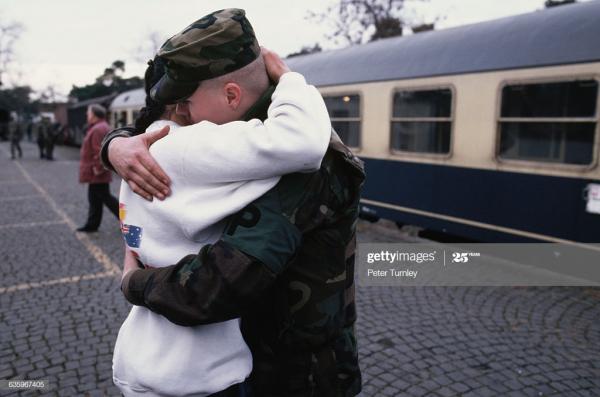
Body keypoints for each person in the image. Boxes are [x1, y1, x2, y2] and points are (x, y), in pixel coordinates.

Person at [102, 8, 364, 397]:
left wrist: (133, 282)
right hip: (248, 367)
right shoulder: (238, 135)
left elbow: (209, 289)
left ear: (231, 95)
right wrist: (117, 145)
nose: (179, 117)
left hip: (296, 377)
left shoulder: (303, 164)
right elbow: (152, 128)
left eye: (185, 103)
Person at [77, 104, 119, 232]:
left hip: (96, 172)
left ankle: (129, 219)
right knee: (96, 198)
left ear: (94, 114)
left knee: (105, 198)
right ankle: (92, 224)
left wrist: (98, 168)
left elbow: (99, 151)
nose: (87, 115)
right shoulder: (101, 127)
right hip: (96, 171)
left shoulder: (97, 129)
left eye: (88, 113)